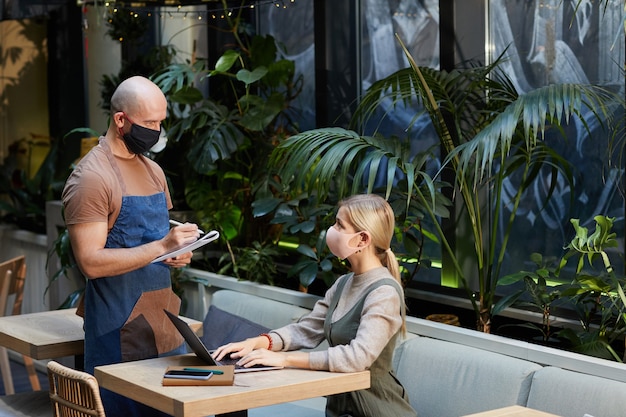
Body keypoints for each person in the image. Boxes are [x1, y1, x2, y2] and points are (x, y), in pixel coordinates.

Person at [62, 75, 200, 417]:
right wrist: (160, 246)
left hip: (164, 326)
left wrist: (177, 252)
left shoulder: (154, 171)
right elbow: (91, 262)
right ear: (120, 120)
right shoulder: (92, 178)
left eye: (160, 122)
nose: (156, 130)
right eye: (149, 123)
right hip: (116, 329)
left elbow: (153, 240)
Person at [214, 194, 418, 417]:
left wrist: (285, 359)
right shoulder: (343, 283)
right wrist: (257, 343)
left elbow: (357, 358)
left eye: (339, 225)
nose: (331, 230)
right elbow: (306, 329)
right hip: (340, 407)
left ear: (362, 240)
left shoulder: (384, 293)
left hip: (376, 409)